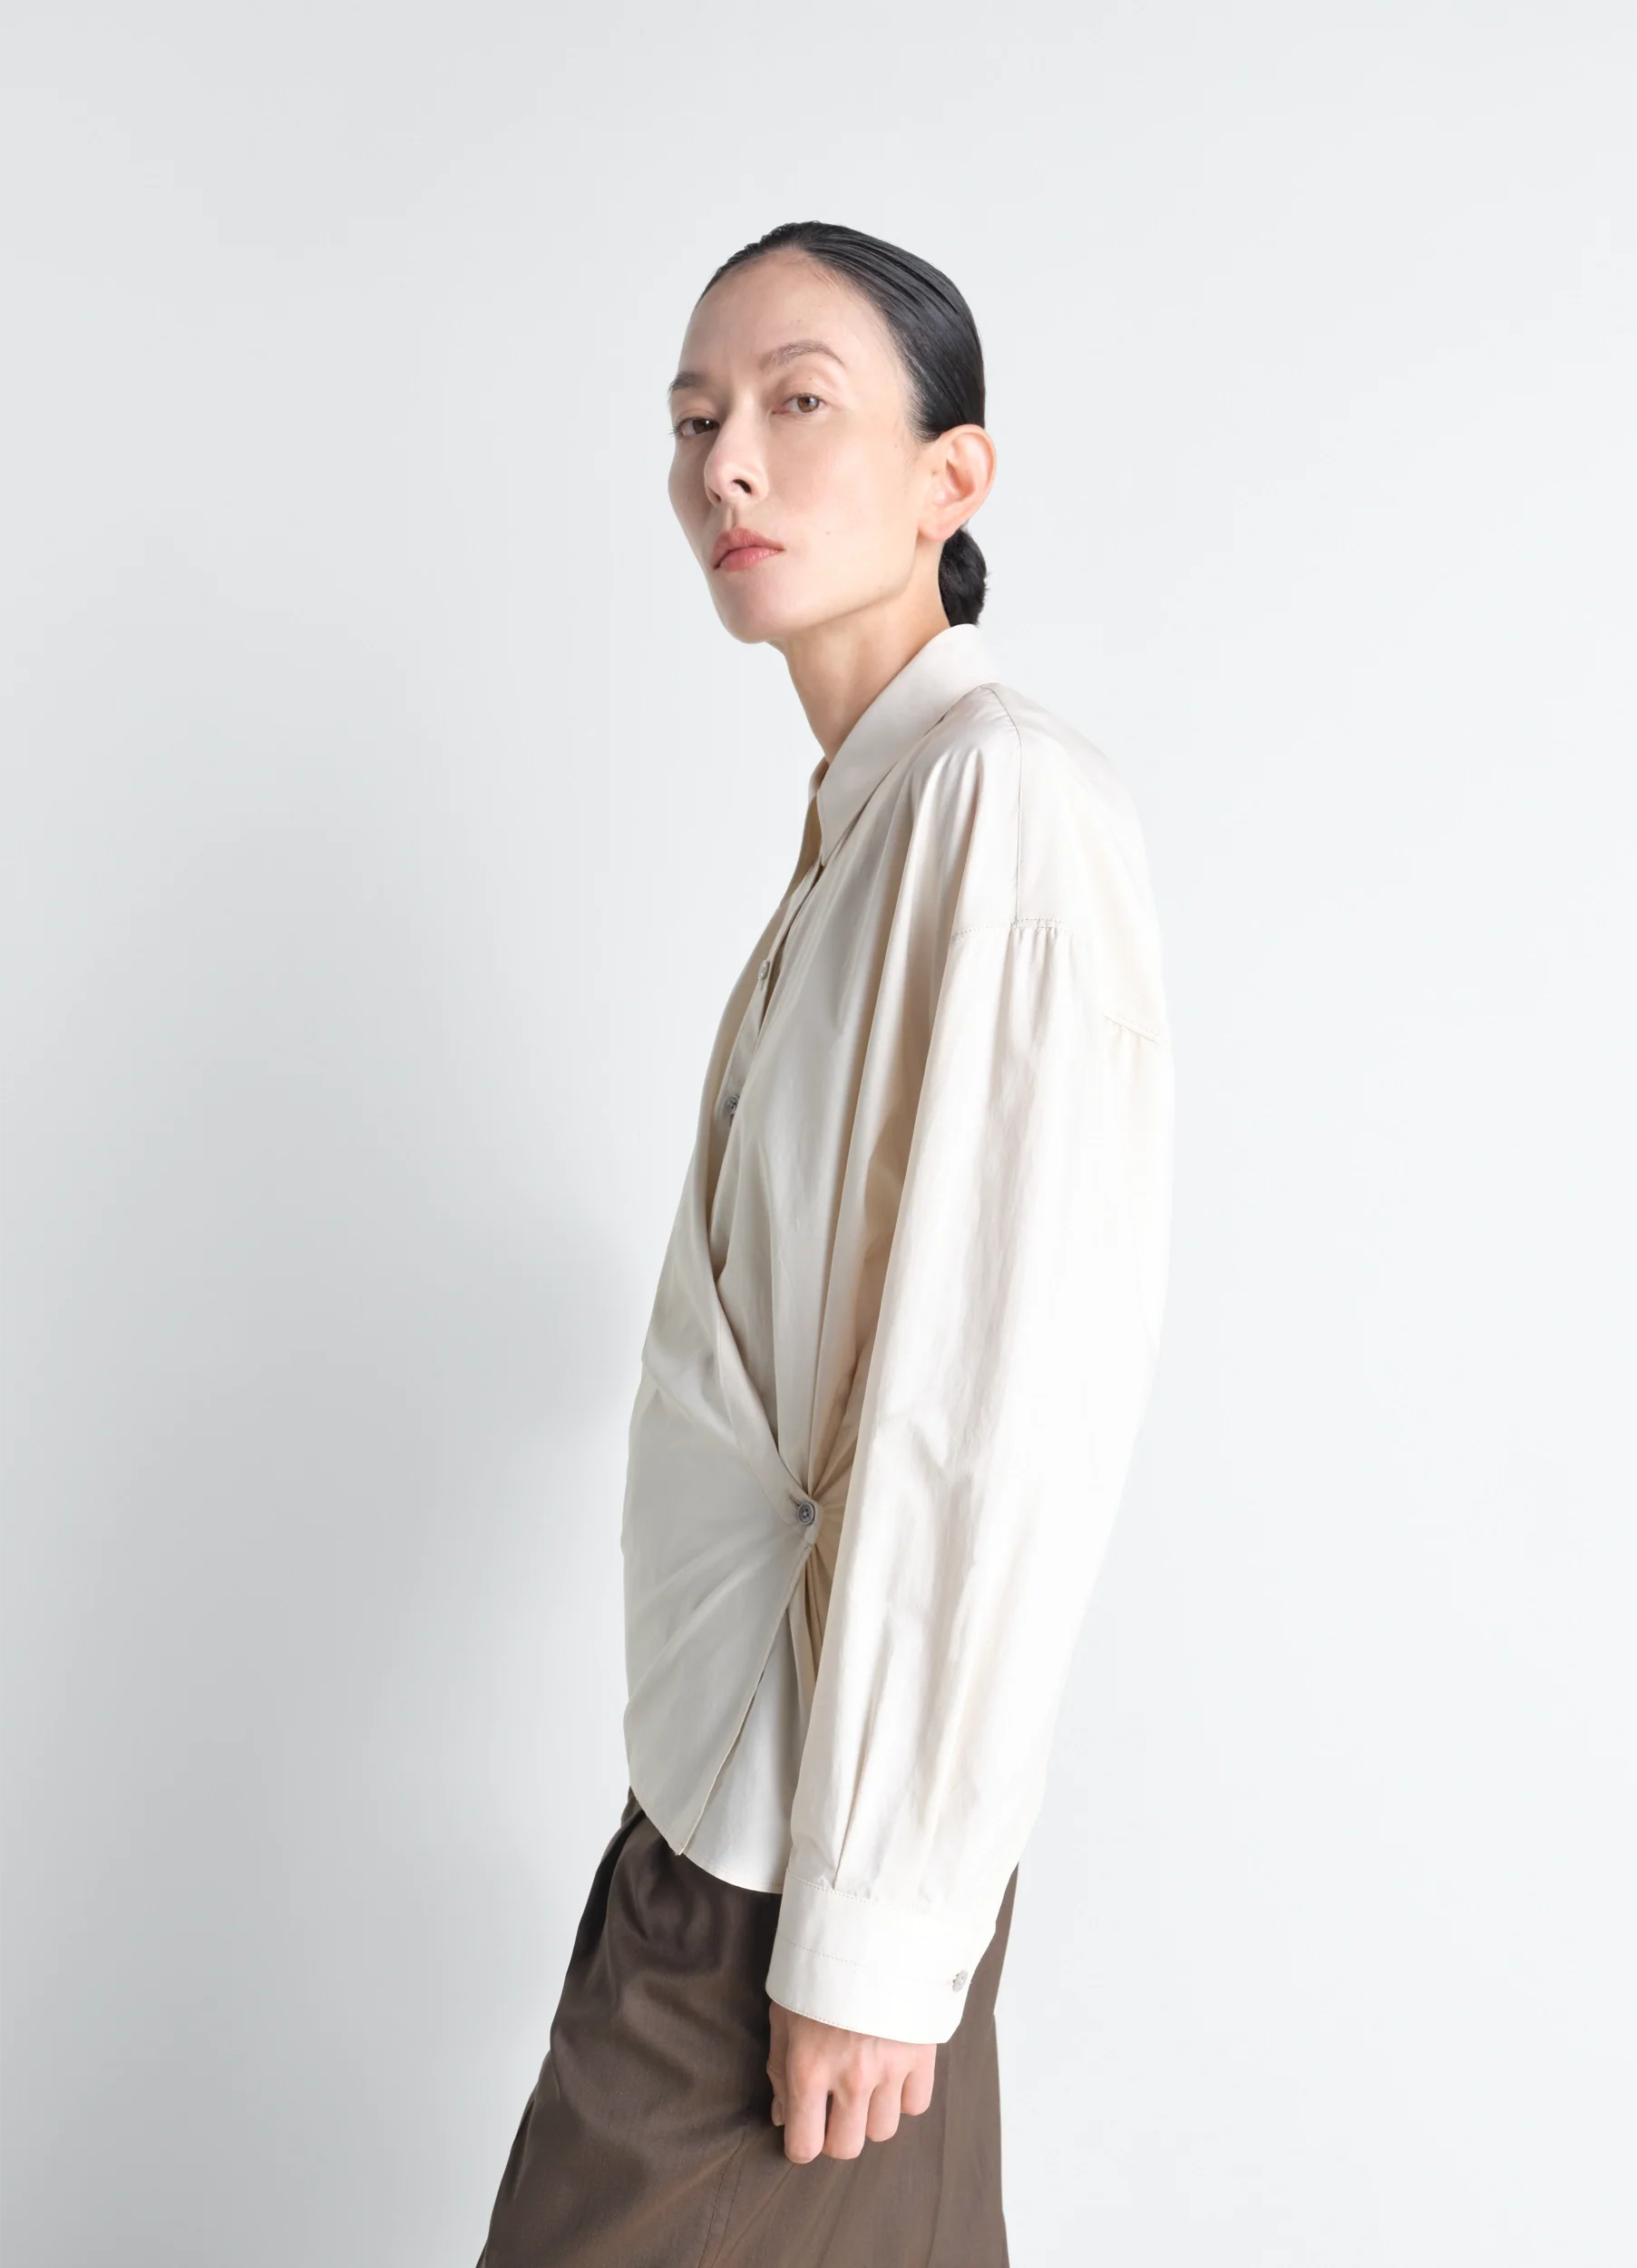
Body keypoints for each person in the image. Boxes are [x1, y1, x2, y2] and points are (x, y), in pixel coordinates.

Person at [474, 220, 1174, 2267]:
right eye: (693, 418)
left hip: (801, 1867)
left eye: (797, 403)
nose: (728, 464)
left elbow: (994, 1399)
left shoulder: (1000, 806)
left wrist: (872, 1926)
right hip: (730, 1819)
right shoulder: (866, 823)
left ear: (954, 476)